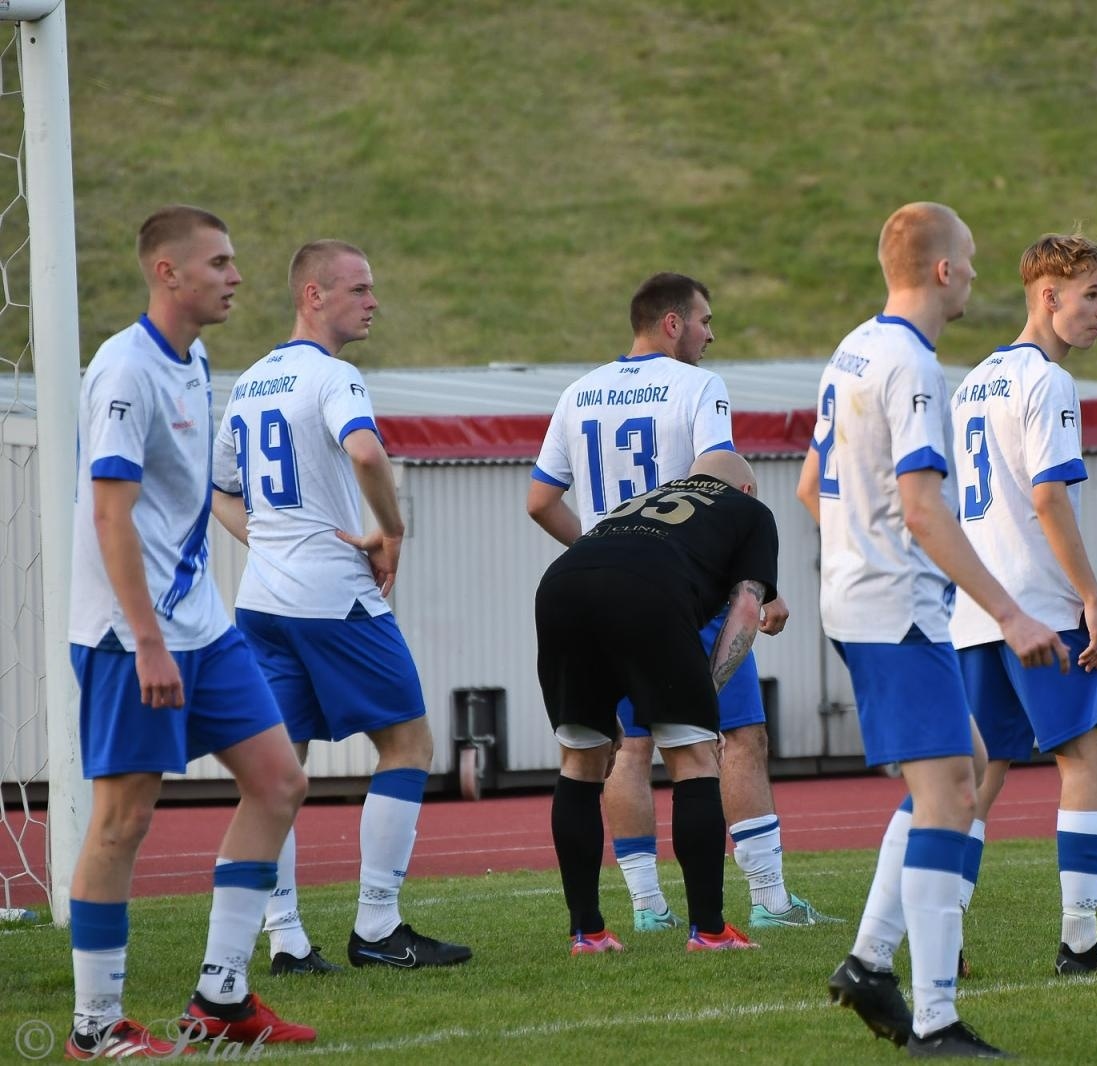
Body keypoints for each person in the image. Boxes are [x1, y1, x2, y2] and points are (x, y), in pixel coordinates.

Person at [798, 201, 1069, 1059]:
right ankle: (936, 1018)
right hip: (895, 606)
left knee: (959, 773)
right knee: (951, 794)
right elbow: (921, 511)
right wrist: (1012, 611)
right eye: (974, 261)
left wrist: (853, 554)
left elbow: (813, 487)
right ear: (944, 270)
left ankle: (872, 963)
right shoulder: (913, 365)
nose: (980, 276)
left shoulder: (853, 348)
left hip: (861, 596)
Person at [65, 206, 315, 1058]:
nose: (236, 275)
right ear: (167, 273)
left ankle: (221, 996)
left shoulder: (197, 358)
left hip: (204, 626)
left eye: (234, 260)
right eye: (219, 262)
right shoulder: (126, 372)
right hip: (127, 636)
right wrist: (145, 639)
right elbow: (110, 516)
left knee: (280, 782)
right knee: (122, 823)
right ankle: (95, 1027)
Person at [527, 272, 834, 932]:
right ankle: (768, 899)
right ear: (671, 323)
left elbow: (539, 499)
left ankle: (644, 906)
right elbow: (717, 475)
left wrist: (597, 541)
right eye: (704, 320)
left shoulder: (578, 393)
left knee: (623, 750)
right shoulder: (697, 386)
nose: (711, 333)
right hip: (682, 583)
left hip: (600, 586)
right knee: (736, 736)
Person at [211, 240, 472, 975]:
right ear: (313, 296)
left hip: (261, 602)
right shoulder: (335, 376)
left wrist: (268, 542)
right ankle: (379, 927)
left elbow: (221, 492)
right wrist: (390, 532)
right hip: (334, 600)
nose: (373, 300)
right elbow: (365, 453)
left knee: (276, 772)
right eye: (359, 288)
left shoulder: (252, 382)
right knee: (410, 746)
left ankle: (287, 938)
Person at [953, 233, 1097, 978]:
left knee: (977, 777)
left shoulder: (972, 380)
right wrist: (1093, 599)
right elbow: (1047, 497)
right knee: (1083, 757)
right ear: (1049, 297)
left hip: (976, 608)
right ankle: (1079, 943)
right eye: (1093, 295)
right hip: (1038, 606)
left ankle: (943, 937)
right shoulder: (1047, 381)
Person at [536, 450, 777, 954]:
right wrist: (702, 698)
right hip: (648, 590)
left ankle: (588, 932)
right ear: (747, 489)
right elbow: (748, 609)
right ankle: (710, 931)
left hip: (560, 584)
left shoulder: (646, 499)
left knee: (582, 760)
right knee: (692, 755)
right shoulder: (750, 510)